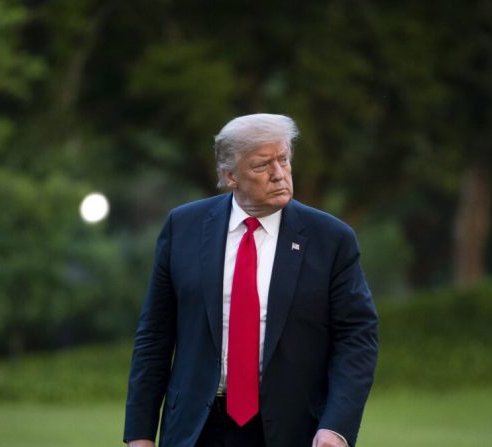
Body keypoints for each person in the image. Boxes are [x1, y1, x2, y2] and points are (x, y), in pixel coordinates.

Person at [123, 113, 378, 447]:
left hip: (293, 429)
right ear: (230, 176)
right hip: (196, 429)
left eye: (283, 160)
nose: (279, 174)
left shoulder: (331, 239)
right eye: (262, 166)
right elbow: (155, 335)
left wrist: (337, 426)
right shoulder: (183, 227)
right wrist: (140, 433)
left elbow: (357, 338)